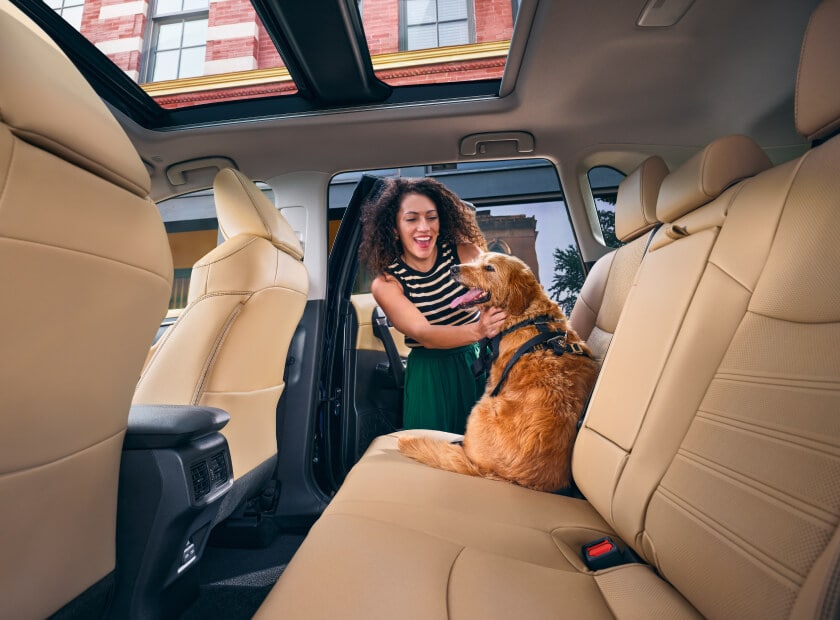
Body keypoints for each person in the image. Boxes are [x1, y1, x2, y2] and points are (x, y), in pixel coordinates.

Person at [359, 177, 507, 434]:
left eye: (431, 217)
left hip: (475, 363)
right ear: (394, 228)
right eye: (411, 218)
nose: (424, 227)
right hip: (428, 375)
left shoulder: (467, 254)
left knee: (484, 452)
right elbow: (425, 335)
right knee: (432, 455)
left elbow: (502, 297)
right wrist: (478, 330)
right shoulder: (387, 283)